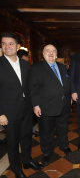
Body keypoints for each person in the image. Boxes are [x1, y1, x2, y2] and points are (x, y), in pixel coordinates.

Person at [0, 32, 43, 178]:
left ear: (18, 46)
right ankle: (16, 168)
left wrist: (35, 105)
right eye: (4, 43)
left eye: (11, 43)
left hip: (26, 108)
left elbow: (29, 87)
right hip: (9, 112)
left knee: (26, 138)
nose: (7, 46)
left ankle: (27, 161)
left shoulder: (25, 64)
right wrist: (0, 114)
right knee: (12, 142)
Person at [29, 44, 72, 166]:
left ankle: (64, 146)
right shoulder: (36, 68)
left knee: (63, 128)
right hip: (46, 107)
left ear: (57, 54)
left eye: (53, 51)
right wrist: (35, 105)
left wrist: (69, 98)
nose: (51, 53)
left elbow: (66, 83)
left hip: (63, 105)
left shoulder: (62, 66)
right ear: (43, 53)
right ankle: (47, 152)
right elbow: (33, 88)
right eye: (48, 51)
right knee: (46, 132)